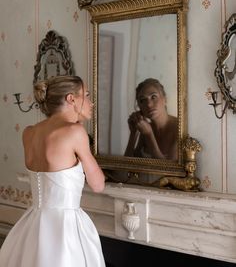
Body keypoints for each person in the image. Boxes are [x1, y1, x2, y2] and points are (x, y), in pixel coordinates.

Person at [0, 75, 106, 267]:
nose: (91, 102)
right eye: (87, 95)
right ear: (71, 99)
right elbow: (98, 184)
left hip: (33, 223)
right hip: (64, 228)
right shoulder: (75, 133)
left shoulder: (29, 132)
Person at [124, 78, 178, 161]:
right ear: (139, 107)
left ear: (165, 99)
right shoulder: (146, 128)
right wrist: (133, 133)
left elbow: (169, 170)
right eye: (143, 100)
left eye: (153, 97)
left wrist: (149, 135)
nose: (148, 104)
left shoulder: (179, 128)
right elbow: (127, 166)